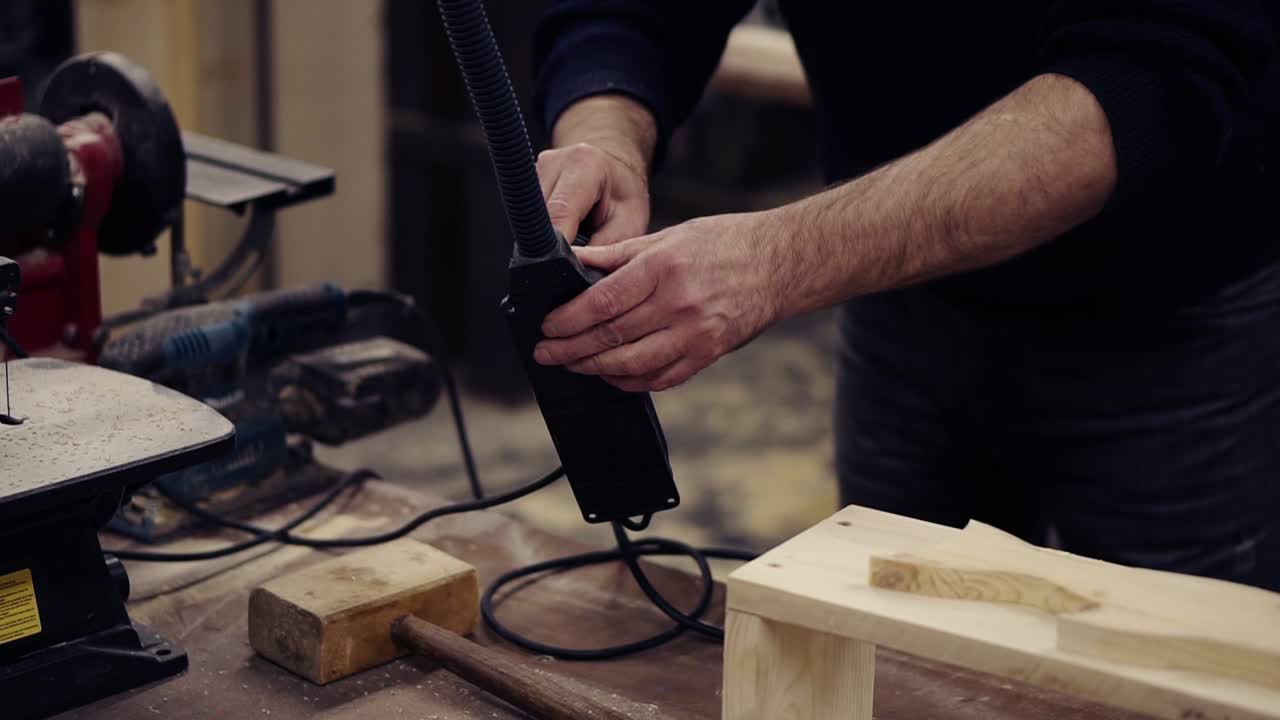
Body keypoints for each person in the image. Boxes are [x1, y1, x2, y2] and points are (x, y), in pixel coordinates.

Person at [527, 1, 1280, 591]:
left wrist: (777, 259)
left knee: (1169, 675)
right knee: (894, 659)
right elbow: (632, 6)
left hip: (1171, 328)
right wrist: (606, 128)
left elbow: (1144, 82)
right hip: (901, 297)